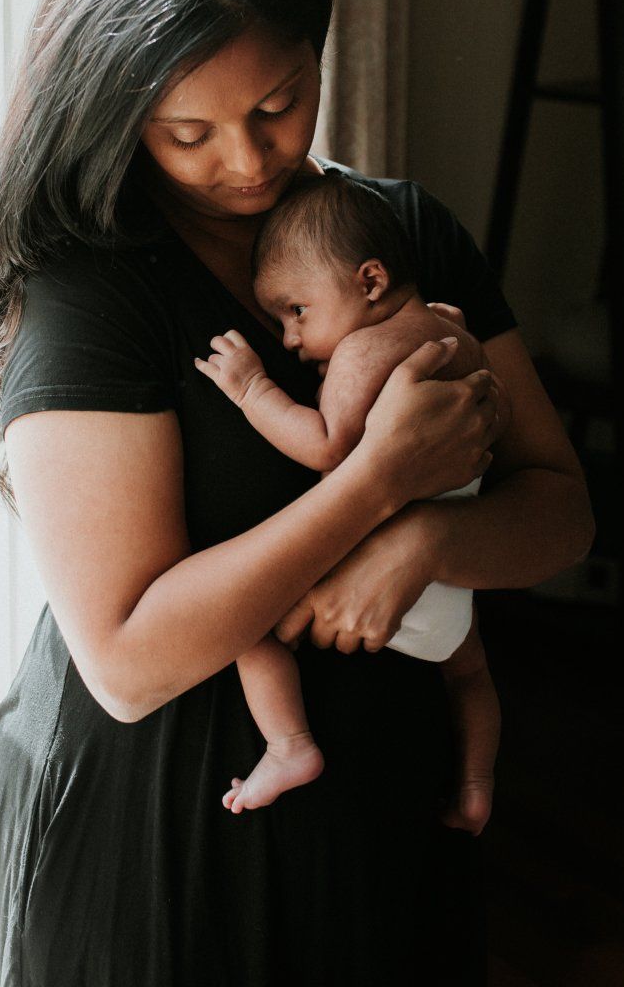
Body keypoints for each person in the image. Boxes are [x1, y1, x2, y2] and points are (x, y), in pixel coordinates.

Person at [0, 0, 593, 987]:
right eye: (188, 131)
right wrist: (379, 480)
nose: (248, 162)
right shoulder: (91, 289)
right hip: (159, 824)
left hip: (382, 806)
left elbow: (563, 512)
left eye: (279, 104)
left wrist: (429, 540)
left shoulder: (399, 234)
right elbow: (127, 660)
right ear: (118, 116)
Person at [194, 171, 502, 836]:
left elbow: (328, 446)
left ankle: (289, 746)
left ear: (370, 282)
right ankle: (477, 786)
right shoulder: (452, 328)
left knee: (243, 625)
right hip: (452, 581)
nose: (289, 338)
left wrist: (253, 392)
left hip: (383, 567)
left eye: (297, 310)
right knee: (471, 674)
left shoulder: (363, 350)